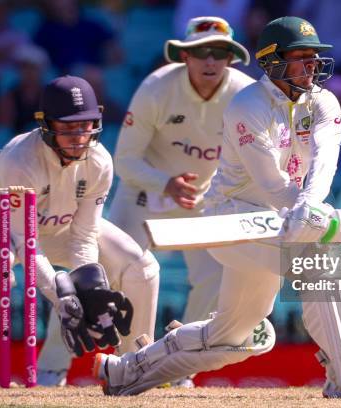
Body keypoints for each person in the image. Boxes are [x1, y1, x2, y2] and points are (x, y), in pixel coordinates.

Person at [93, 16, 341, 398]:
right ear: (272, 61)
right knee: (318, 258)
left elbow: (324, 162)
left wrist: (313, 208)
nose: (311, 66)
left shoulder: (325, 102)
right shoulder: (247, 106)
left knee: (234, 335)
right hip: (232, 220)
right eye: (300, 57)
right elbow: (270, 184)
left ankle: (124, 372)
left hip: (282, 221)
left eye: (314, 58)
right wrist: (311, 216)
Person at [34, 16, 254, 388]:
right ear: (184, 56)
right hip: (145, 194)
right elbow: (126, 160)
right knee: (98, 279)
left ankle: (178, 368)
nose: (211, 61)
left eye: (221, 52)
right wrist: (165, 183)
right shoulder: (157, 87)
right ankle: (51, 368)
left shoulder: (246, 95)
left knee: (217, 275)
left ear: (232, 58)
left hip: (207, 199)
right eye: (201, 52)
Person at [0, 75, 159, 386]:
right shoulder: (22, 159)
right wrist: (62, 301)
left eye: (84, 126)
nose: (78, 137)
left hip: (63, 224)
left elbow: (84, 235)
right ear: (46, 125)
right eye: (68, 127)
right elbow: (25, 245)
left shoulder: (99, 161)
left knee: (143, 267)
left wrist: (88, 285)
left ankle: (135, 366)